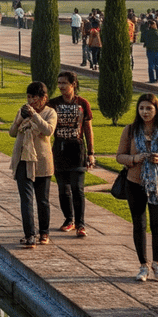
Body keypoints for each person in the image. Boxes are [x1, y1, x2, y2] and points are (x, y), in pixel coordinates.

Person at [115, 94, 158, 282]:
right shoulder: (131, 130)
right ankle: (143, 265)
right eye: (141, 108)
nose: (145, 112)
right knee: (139, 224)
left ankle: (157, 263)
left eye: (149, 108)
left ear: (156, 109)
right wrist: (134, 159)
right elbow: (120, 155)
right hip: (135, 182)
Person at [10, 81, 56, 248]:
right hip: (23, 160)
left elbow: (48, 130)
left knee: (42, 200)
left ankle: (44, 232)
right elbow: (12, 132)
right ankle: (30, 235)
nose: (30, 102)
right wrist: (20, 118)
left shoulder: (50, 113)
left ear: (43, 98)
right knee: (26, 200)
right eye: (28, 97)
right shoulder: (22, 111)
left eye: (34, 98)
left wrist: (34, 116)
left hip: (42, 161)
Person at [48, 71, 94, 238]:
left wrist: (91, 152)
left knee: (77, 188)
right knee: (63, 189)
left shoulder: (82, 104)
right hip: (59, 149)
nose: (60, 86)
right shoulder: (53, 104)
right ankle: (69, 220)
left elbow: (88, 129)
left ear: (73, 84)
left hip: (77, 149)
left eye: (64, 83)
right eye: (59, 83)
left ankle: (81, 224)